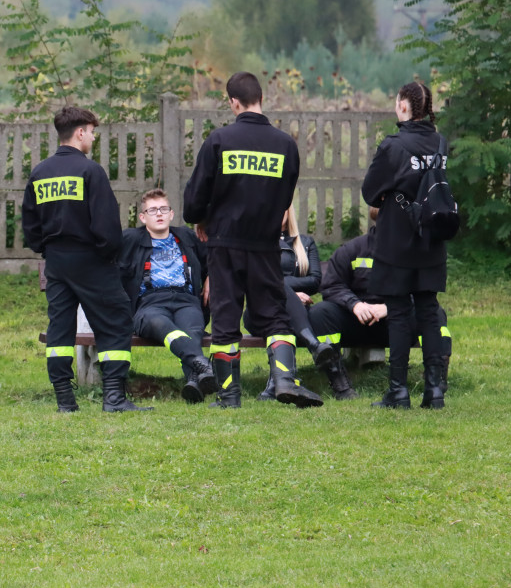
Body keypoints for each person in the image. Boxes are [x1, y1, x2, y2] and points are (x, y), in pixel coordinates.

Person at [182, 71, 323, 409]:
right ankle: (285, 380)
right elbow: (284, 198)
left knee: (226, 317)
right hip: (266, 245)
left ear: (233, 102)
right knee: (274, 314)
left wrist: (201, 219)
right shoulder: (285, 145)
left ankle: (229, 395)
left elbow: (194, 201)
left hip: (224, 243)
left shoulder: (219, 140)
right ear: (261, 98)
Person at [21, 106, 149, 413]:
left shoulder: (39, 173)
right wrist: (107, 256)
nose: (92, 137)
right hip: (91, 259)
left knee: (60, 329)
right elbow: (106, 226)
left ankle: (65, 399)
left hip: (56, 261)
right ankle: (114, 398)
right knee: (116, 321)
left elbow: (30, 226)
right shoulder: (90, 171)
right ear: (80, 132)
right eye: (92, 132)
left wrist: (49, 249)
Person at [361, 81, 450, 409]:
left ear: (403, 106)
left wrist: (389, 193)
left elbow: (370, 192)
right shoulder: (440, 143)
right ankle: (434, 390)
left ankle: (398, 391)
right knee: (428, 311)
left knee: (398, 313)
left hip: (396, 241)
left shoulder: (393, 146)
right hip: (432, 240)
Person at [309, 206, 452, 392]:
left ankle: (436, 378)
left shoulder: (414, 252)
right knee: (321, 312)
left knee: (436, 313)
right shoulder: (353, 249)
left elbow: (424, 291)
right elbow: (331, 285)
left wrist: (389, 308)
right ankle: (338, 379)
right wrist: (355, 305)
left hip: (398, 323)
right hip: (356, 322)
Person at [119, 189, 216, 403]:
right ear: (143, 217)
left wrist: (210, 277)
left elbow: (215, 258)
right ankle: (203, 365)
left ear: (171, 214)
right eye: (152, 210)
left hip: (186, 301)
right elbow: (106, 260)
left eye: (163, 209)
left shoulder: (187, 237)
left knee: (192, 330)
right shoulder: (130, 239)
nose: (159, 214)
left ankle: (194, 380)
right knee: (164, 326)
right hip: (150, 306)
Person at [255, 204, 357, 401]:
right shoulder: (257, 243)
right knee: (278, 291)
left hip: (295, 314)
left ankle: (275, 386)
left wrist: (288, 293)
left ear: (288, 212)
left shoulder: (305, 242)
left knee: (309, 317)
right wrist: (292, 292)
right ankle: (321, 356)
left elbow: (315, 280)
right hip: (259, 312)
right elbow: (258, 280)